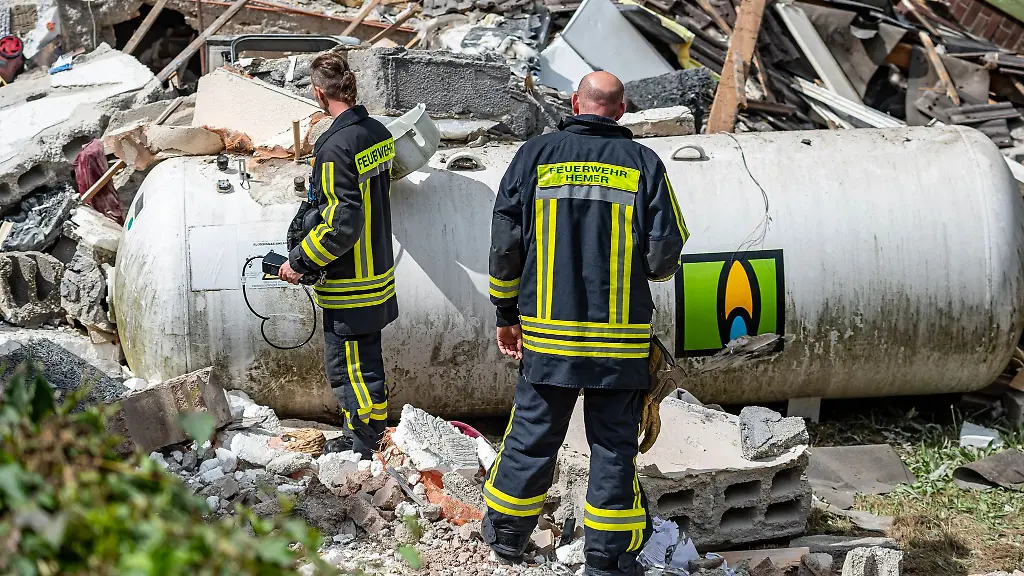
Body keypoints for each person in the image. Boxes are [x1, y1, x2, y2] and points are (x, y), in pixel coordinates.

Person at [484, 71, 689, 576]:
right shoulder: (644, 164)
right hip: (620, 342)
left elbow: (506, 245)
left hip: (547, 336)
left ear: (575, 103)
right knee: (614, 446)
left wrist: (506, 314)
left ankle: (507, 538)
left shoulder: (535, 155)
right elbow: (663, 256)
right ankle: (606, 558)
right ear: (621, 110)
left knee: (532, 434)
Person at [278, 51, 397, 459]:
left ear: (318, 93)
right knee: (368, 364)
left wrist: (300, 261)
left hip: (350, 282)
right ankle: (367, 438)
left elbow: (341, 221)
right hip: (377, 272)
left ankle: (365, 447)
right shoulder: (377, 133)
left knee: (350, 370)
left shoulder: (334, 147)